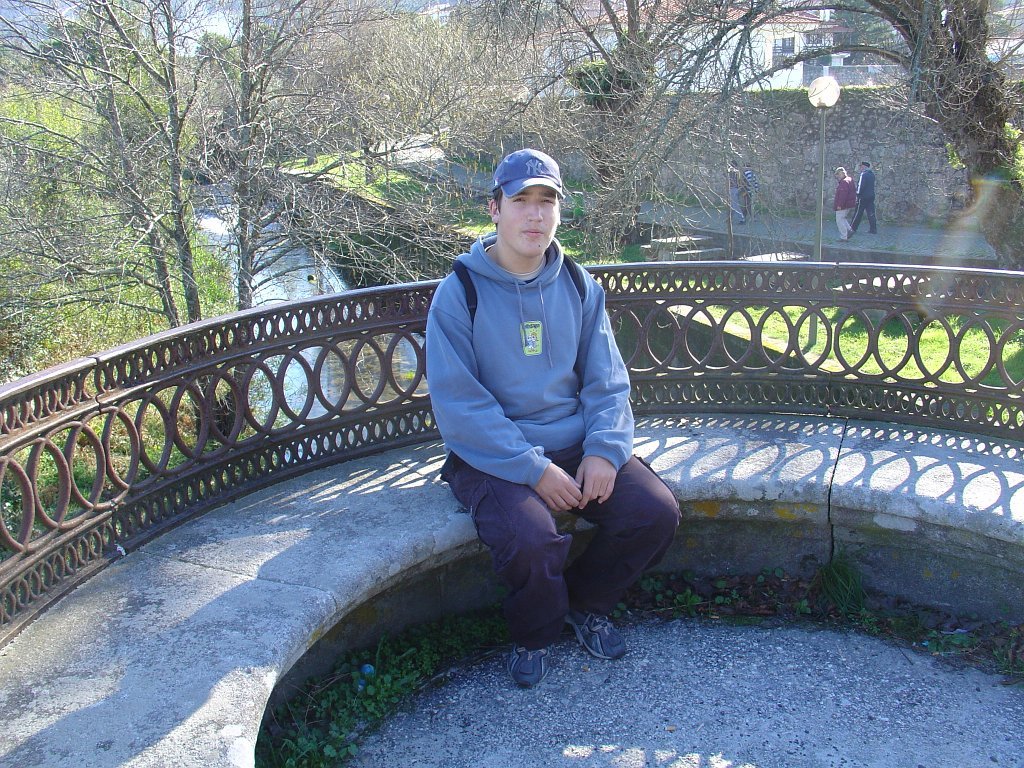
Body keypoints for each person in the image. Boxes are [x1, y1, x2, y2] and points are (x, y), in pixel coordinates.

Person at [426, 148, 680, 688]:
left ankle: (586, 604)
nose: (535, 215)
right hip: (493, 452)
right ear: (494, 208)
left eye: (547, 201)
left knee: (654, 513)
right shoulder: (459, 294)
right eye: (521, 200)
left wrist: (604, 451)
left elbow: (606, 381)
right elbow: (460, 404)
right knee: (531, 539)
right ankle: (535, 634)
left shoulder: (578, 285)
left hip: (574, 440)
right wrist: (532, 469)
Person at [851, 161, 877, 234]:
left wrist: (857, 194)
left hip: (863, 197)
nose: (860, 168)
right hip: (871, 196)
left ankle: (852, 228)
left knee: (858, 213)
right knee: (871, 213)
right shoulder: (872, 174)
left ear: (864, 167)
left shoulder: (863, 174)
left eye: (861, 166)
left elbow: (860, 186)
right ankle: (873, 229)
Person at [833, 166, 857, 242]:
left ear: (842, 173)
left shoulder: (844, 182)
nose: (837, 176)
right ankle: (849, 230)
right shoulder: (849, 179)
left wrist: (839, 205)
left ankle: (844, 237)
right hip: (849, 204)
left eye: (838, 174)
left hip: (843, 204)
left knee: (839, 220)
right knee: (843, 218)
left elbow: (843, 195)